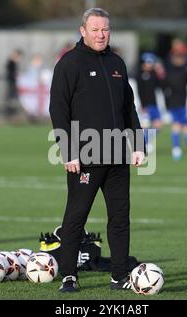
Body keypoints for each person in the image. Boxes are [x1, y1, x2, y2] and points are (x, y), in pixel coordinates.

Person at [49, 7, 145, 293]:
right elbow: (58, 109)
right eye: (95, 29)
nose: (101, 34)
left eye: (105, 29)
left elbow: (129, 108)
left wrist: (138, 145)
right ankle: (68, 276)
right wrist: (68, 151)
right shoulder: (69, 63)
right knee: (76, 217)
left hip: (117, 157)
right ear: (83, 31)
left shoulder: (117, 62)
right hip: (84, 158)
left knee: (120, 217)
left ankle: (119, 276)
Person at [135, 52, 165, 153]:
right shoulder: (139, 74)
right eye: (148, 62)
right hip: (146, 106)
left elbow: (161, 86)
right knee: (145, 126)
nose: (150, 64)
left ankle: (145, 143)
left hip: (154, 104)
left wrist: (160, 74)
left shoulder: (153, 74)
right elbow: (140, 91)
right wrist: (143, 106)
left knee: (158, 126)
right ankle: (142, 145)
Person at [5, 49, 23, 117]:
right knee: (11, 97)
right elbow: (11, 72)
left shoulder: (13, 62)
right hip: (11, 82)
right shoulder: (11, 62)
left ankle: (13, 111)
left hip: (14, 82)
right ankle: (10, 111)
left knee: (13, 97)